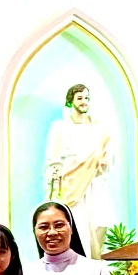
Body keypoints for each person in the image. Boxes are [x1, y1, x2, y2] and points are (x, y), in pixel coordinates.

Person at [44, 83, 113, 257]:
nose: (84, 102)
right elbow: (54, 158)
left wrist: (103, 160)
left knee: (99, 223)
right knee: (78, 224)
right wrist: (53, 187)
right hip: (72, 182)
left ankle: (96, 262)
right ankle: (77, 262)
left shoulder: (97, 127)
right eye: (80, 98)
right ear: (71, 101)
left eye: (87, 98)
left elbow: (106, 151)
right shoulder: (60, 127)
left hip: (95, 181)